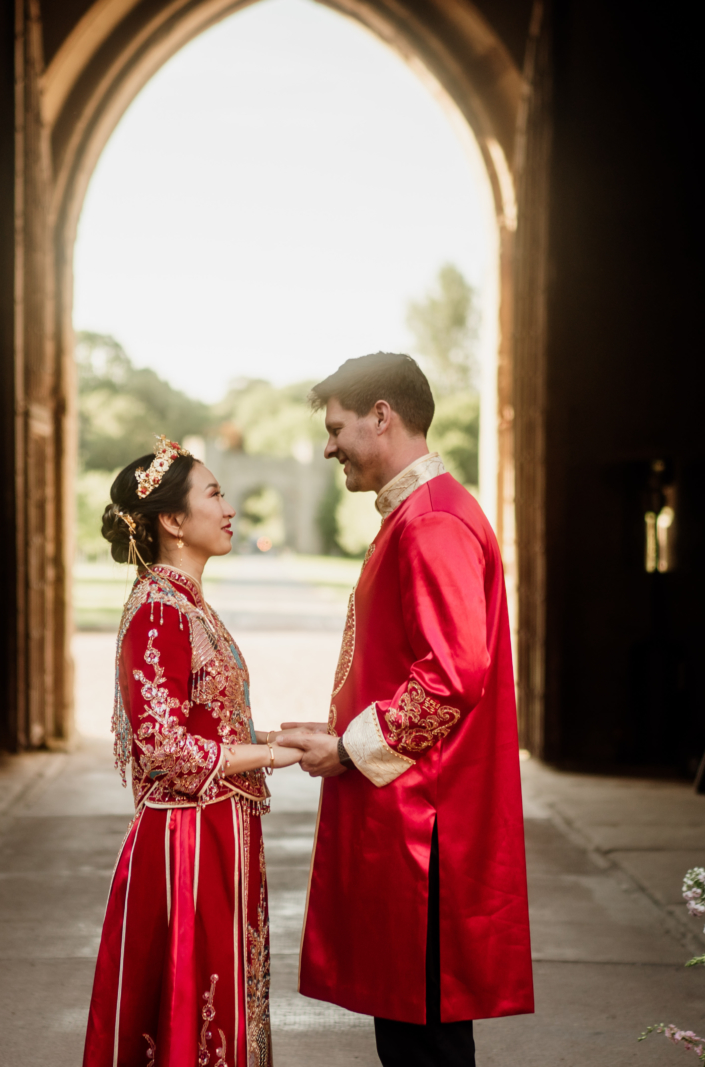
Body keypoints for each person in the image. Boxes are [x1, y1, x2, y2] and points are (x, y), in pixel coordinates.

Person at [276, 353, 533, 1067]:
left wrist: (349, 749)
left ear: (382, 416)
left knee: (426, 1037)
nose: (328, 446)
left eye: (337, 428)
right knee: (414, 1028)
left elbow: (452, 675)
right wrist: (337, 731)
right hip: (418, 813)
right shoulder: (424, 511)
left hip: (428, 831)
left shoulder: (432, 521)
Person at [82, 436, 302, 1067]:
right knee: (195, 1018)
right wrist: (267, 757)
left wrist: (277, 739)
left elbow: (212, 726)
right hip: (186, 847)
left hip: (216, 836)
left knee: (229, 1003)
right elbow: (165, 752)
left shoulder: (187, 605)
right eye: (215, 494)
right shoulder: (159, 611)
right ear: (172, 522)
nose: (229, 508)